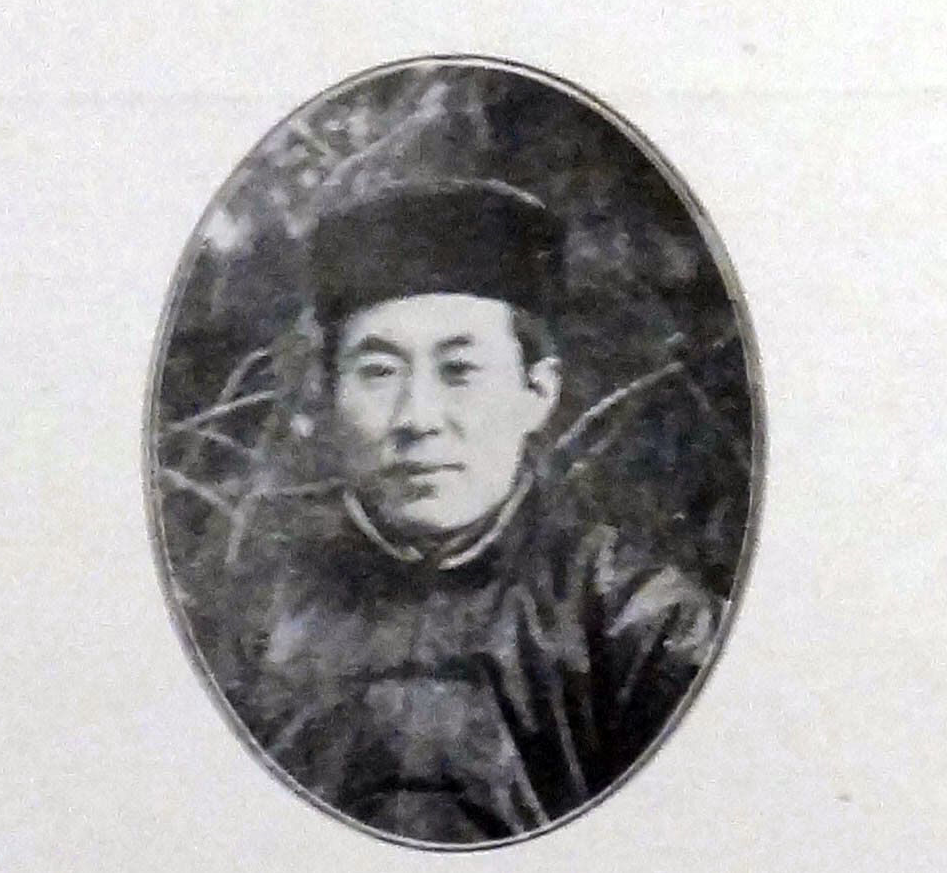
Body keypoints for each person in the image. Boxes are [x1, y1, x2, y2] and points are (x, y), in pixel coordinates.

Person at [220, 180, 722, 844]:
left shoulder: (640, 624)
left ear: (537, 392)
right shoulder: (251, 626)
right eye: (379, 372)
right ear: (328, 395)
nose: (417, 418)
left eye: (459, 371)